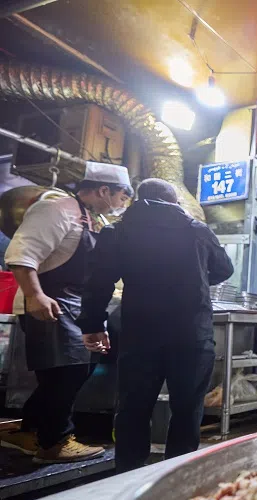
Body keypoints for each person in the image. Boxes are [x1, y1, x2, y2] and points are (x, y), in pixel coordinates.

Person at [76, 178, 233, 472]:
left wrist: (93, 324)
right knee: (187, 408)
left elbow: (97, 283)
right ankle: (176, 475)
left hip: (139, 334)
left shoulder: (118, 231)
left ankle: (128, 474)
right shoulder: (196, 229)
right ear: (174, 202)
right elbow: (225, 268)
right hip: (191, 334)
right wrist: (198, 276)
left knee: (133, 407)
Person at [0, 162, 132, 463]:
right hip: (50, 302)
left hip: (72, 306)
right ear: (103, 190)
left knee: (71, 370)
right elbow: (22, 254)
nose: (122, 203)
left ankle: (31, 431)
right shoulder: (56, 209)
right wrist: (35, 295)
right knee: (67, 371)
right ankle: (55, 442)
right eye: (122, 196)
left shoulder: (88, 217)